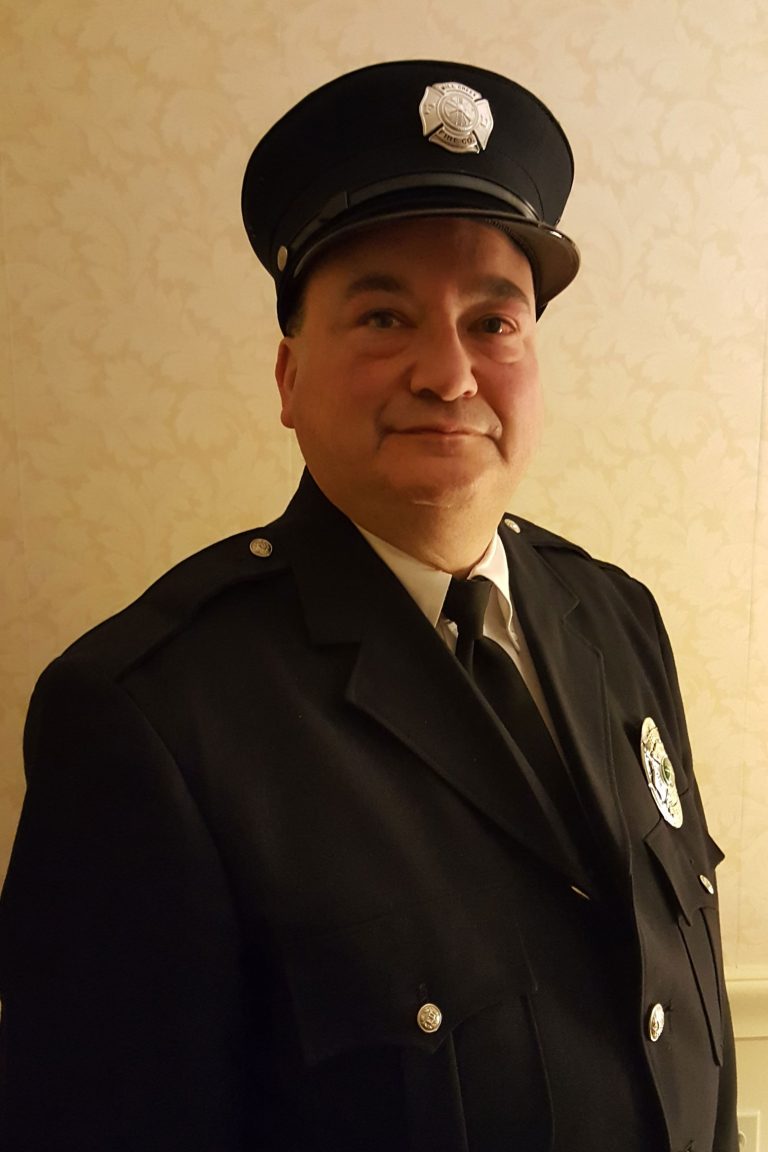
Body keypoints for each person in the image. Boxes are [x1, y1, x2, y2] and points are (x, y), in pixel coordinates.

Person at [0, 60, 737, 1152]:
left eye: (495, 323)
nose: (450, 374)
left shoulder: (615, 617)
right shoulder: (149, 717)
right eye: (386, 315)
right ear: (290, 377)